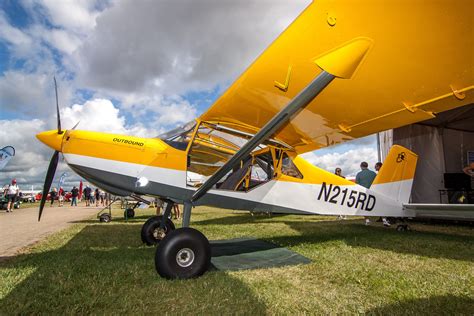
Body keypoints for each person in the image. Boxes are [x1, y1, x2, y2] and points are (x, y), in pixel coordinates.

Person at [356, 162, 378, 226]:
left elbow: (357, 184)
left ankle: (367, 220)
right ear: (367, 166)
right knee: (377, 205)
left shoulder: (359, 174)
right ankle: (384, 219)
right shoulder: (373, 173)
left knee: (364, 207)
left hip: (363, 193)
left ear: (361, 166)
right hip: (373, 192)